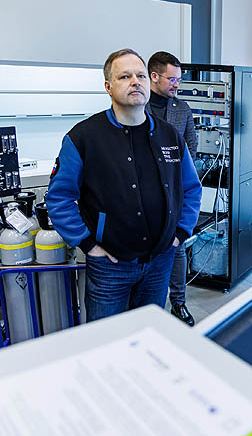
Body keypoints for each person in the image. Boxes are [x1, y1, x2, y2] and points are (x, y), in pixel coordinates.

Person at [47, 48, 202, 322]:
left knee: (149, 333)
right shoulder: (83, 138)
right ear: (108, 86)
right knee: (106, 339)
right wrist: (88, 244)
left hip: (159, 262)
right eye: (124, 76)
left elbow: (191, 188)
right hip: (110, 266)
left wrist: (180, 232)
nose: (135, 82)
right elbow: (59, 198)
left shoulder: (170, 136)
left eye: (140, 76)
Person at [145, 51, 198, 326]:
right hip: (143, 194)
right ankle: (145, 305)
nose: (177, 84)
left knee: (177, 249)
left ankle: (179, 302)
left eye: (179, 79)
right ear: (154, 76)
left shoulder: (182, 109)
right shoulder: (136, 107)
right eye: (172, 79)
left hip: (174, 193)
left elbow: (192, 147)